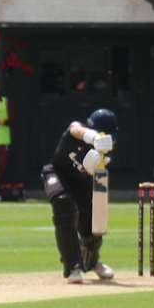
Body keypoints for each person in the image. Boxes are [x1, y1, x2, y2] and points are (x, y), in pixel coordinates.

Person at [43, 109, 117, 284]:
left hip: (82, 183)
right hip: (57, 174)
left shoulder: (107, 150)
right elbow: (76, 129)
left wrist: (102, 161)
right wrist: (94, 137)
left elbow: (99, 178)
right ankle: (73, 267)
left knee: (93, 220)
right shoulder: (78, 130)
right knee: (63, 204)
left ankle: (92, 262)